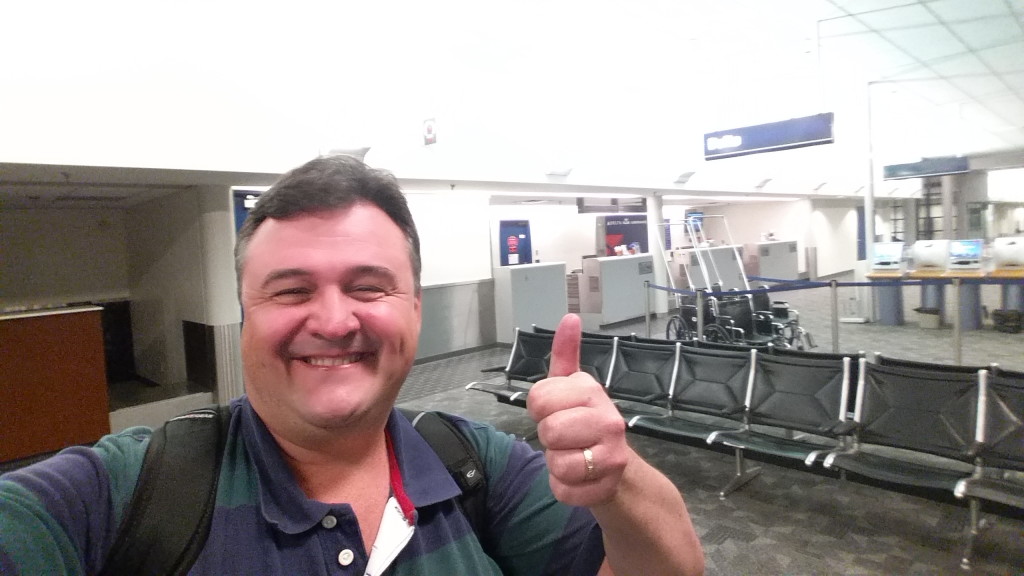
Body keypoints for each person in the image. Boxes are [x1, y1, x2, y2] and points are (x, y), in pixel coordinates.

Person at [0, 155, 704, 575]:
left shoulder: (482, 471)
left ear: (415, 312)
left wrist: (618, 483)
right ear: (247, 317)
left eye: (368, 287)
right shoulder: (128, 495)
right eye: (291, 290)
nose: (334, 321)